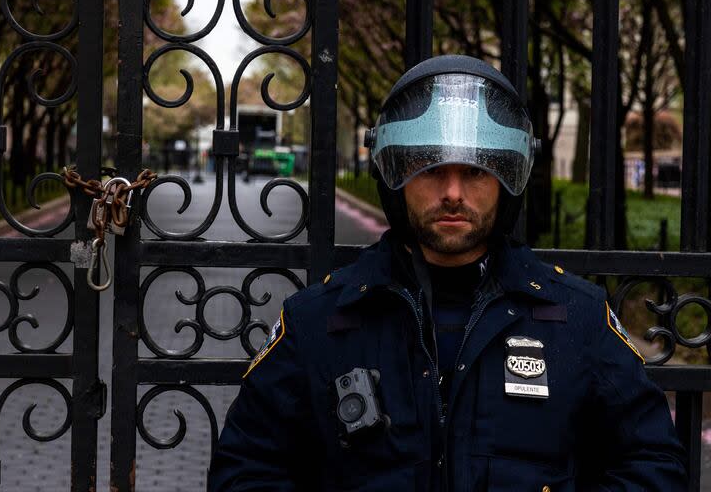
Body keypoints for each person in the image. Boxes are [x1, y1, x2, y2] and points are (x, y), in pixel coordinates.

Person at [207, 55, 687, 491]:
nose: (453, 192)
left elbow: (651, 465)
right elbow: (245, 470)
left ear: (506, 180)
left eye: (476, 171)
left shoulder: (578, 319)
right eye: (429, 168)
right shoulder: (317, 321)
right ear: (394, 176)